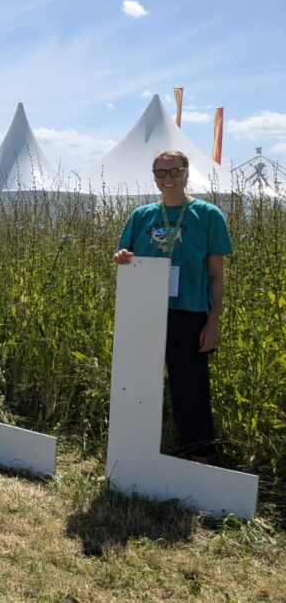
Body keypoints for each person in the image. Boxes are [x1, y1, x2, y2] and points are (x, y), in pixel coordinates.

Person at [114, 150, 231, 463]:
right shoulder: (141, 216)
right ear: (154, 176)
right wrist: (123, 258)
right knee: (138, 383)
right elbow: (126, 256)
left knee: (190, 389)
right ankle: (137, 454)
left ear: (186, 173)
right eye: (161, 172)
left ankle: (201, 458)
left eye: (174, 171)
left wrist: (213, 322)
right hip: (145, 312)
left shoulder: (208, 215)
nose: (168, 179)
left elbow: (216, 274)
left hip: (189, 313)